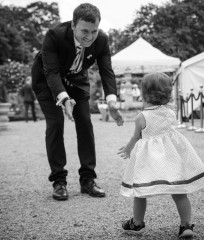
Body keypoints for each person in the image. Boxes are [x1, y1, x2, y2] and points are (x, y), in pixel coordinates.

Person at [31, 3, 123, 201]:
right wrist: (63, 98)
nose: (89, 36)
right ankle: (59, 181)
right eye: (84, 31)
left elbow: (106, 70)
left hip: (76, 80)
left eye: (94, 31)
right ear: (73, 25)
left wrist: (112, 101)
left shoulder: (102, 40)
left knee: (85, 123)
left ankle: (87, 179)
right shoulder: (54, 36)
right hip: (48, 81)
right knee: (55, 123)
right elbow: (52, 72)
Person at [118, 72, 204, 237]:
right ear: (168, 94)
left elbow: (136, 137)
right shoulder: (170, 113)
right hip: (171, 157)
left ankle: (138, 223)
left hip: (149, 161)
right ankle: (186, 225)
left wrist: (127, 149)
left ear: (144, 93)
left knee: (140, 192)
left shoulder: (141, 117)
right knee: (179, 191)